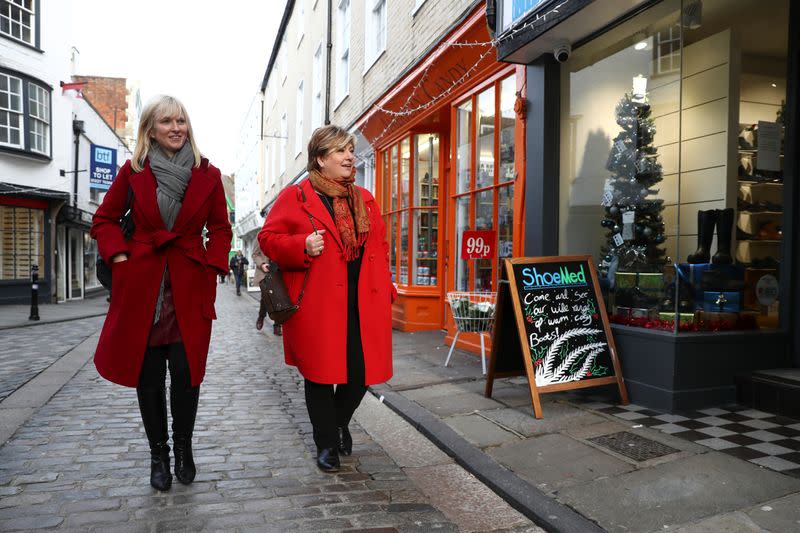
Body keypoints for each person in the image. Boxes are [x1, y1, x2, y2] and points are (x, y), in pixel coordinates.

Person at [90, 95, 232, 491]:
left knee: (187, 377)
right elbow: (105, 220)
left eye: (181, 121)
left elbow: (221, 229)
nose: (176, 128)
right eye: (167, 122)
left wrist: (213, 266)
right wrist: (119, 256)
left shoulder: (208, 173)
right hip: (143, 287)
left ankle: (184, 448)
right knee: (148, 378)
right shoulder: (133, 170)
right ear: (150, 130)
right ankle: (159, 455)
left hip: (188, 285)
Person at [259, 125, 396, 473]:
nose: (350, 156)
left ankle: (337, 423)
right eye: (341, 151)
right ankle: (325, 444)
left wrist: (388, 288)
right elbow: (268, 238)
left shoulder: (364, 199)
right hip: (317, 304)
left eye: (350, 150)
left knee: (360, 375)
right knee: (319, 376)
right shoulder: (297, 196)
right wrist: (300, 246)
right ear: (320, 159)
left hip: (363, 302)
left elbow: (380, 247)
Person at [252, 246, 282, 336]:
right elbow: (255, 254)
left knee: (279, 297)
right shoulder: (260, 234)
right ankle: (261, 316)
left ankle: (277, 324)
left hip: (278, 270)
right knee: (266, 297)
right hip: (265, 270)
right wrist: (261, 264)